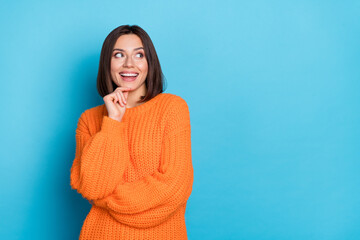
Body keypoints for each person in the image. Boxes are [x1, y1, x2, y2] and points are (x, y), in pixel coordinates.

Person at [70, 25, 194, 240]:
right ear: (107, 64)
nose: (129, 64)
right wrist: (113, 121)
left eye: (139, 55)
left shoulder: (172, 107)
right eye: (119, 55)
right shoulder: (89, 120)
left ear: (149, 63)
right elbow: (92, 186)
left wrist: (105, 200)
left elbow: (174, 187)